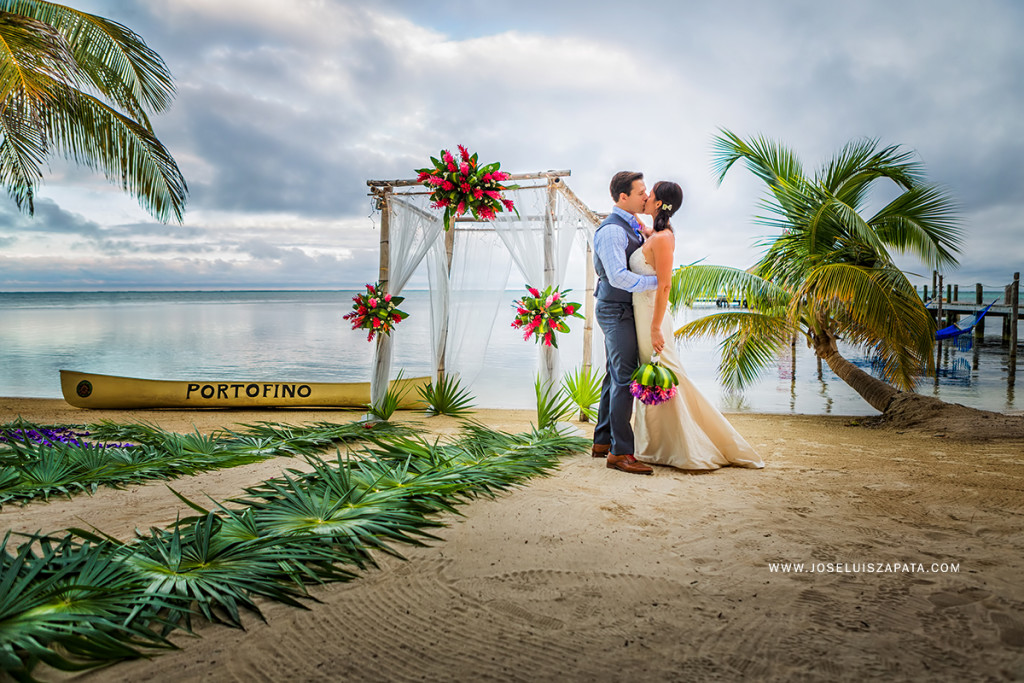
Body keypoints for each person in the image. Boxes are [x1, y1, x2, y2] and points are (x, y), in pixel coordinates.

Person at [630, 181, 764, 470]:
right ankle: (658, 442)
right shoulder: (659, 234)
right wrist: (643, 228)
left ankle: (687, 444)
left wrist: (655, 328)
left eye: (650, 193)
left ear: (658, 202)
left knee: (668, 374)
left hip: (652, 315)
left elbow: (665, 287)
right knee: (656, 374)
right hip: (642, 313)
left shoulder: (664, 239)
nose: (647, 196)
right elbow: (652, 243)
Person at [591, 171, 658, 475]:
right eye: (641, 192)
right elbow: (617, 276)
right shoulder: (612, 231)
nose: (646, 196)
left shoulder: (630, 225)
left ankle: (603, 441)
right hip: (615, 310)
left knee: (613, 375)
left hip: (622, 308)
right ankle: (620, 453)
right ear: (623, 197)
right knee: (624, 378)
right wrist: (659, 281)